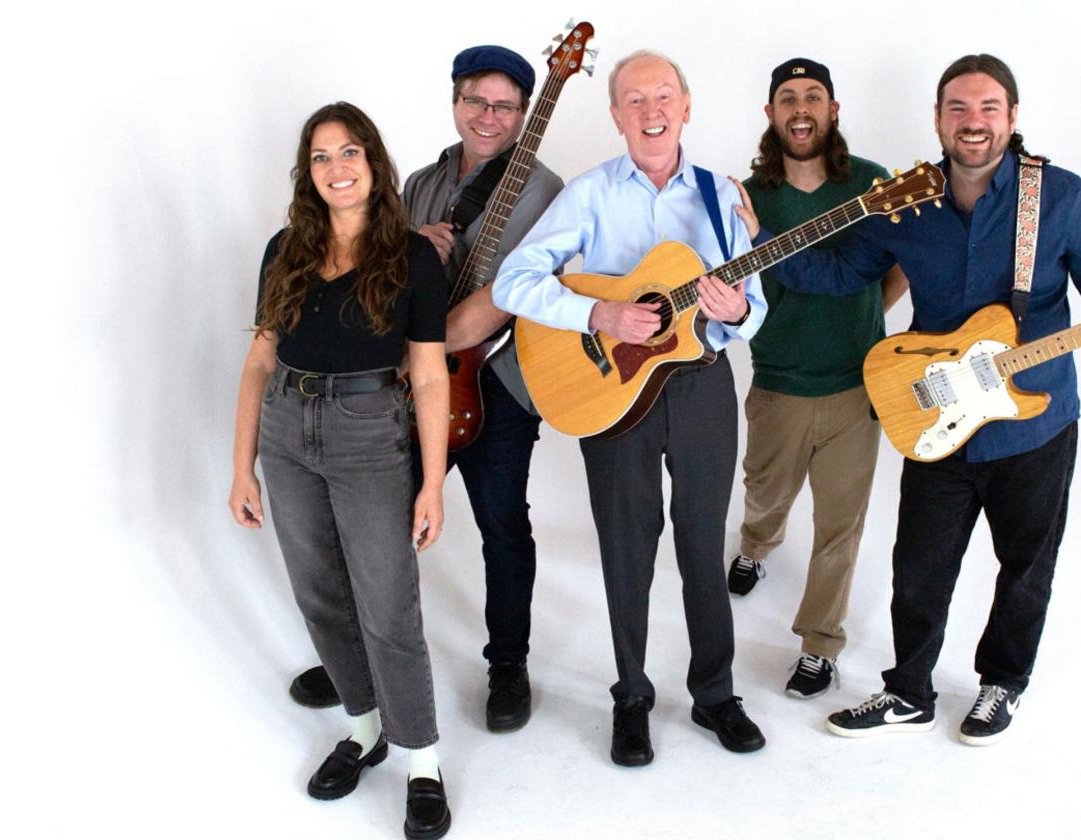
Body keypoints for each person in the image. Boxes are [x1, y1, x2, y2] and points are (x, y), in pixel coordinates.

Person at [741, 54, 1081, 746]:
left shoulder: (1058, 196)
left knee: (1025, 567)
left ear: (1012, 118)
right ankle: (908, 692)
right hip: (936, 419)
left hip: (1035, 422)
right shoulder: (906, 205)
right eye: (958, 108)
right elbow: (836, 275)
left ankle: (1000, 685)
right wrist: (759, 241)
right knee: (918, 570)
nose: (973, 122)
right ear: (937, 119)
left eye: (988, 109)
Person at [492, 50, 768, 767]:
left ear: (686, 106)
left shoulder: (719, 193)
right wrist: (597, 316)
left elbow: (754, 306)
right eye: (635, 99)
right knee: (625, 546)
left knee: (704, 545)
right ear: (616, 115)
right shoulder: (587, 195)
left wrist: (737, 307)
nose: (652, 110)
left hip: (702, 384)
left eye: (665, 95)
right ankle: (632, 696)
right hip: (613, 392)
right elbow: (514, 283)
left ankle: (714, 695)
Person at [287, 45, 564, 735]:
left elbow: (509, 293)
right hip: (406, 386)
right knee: (375, 520)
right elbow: (377, 269)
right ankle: (356, 659)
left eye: (504, 105)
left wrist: (428, 343)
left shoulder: (545, 190)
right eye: (476, 101)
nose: (488, 117)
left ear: (524, 113)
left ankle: (507, 666)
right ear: (455, 102)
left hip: (496, 380)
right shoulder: (421, 180)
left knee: (503, 529)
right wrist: (416, 247)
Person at [229, 102, 452, 837]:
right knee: (320, 593)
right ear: (309, 173)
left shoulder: (413, 256)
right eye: (322, 156)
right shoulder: (284, 249)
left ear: (374, 163)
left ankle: (421, 759)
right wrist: (242, 468)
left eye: (350, 151)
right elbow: (261, 360)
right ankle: (364, 729)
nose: (337, 167)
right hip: (289, 430)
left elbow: (427, 375)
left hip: (368, 436)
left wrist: (430, 482)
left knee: (389, 608)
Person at [726, 57, 909, 700]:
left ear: (833, 110)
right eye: (786, 98)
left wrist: (863, 318)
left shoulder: (874, 184)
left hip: (857, 387)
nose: (799, 108)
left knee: (841, 526)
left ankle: (819, 643)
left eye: (812, 97)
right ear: (770, 114)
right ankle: (755, 546)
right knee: (765, 497)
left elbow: (897, 266)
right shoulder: (749, 197)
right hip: (777, 382)